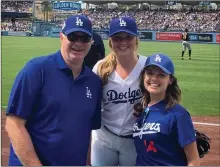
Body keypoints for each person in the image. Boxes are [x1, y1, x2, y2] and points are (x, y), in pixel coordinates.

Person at [5, 15, 102, 166]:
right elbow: (13, 124)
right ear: (62, 37)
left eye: (84, 38)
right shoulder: (36, 69)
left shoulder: (94, 82)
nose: (78, 43)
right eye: (73, 36)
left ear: (91, 42)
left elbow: (87, 131)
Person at [91, 16, 147, 166]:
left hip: (134, 141)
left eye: (128, 37)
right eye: (117, 38)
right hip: (104, 138)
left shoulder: (147, 66)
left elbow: (162, 99)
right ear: (110, 41)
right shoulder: (100, 68)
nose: (123, 42)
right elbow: (90, 105)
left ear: (136, 39)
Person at [133, 54, 200, 166]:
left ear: (170, 80)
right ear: (143, 76)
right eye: (150, 73)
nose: (154, 78)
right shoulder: (142, 110)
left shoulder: (178, 114)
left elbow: (193, 161)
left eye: (161, 75)